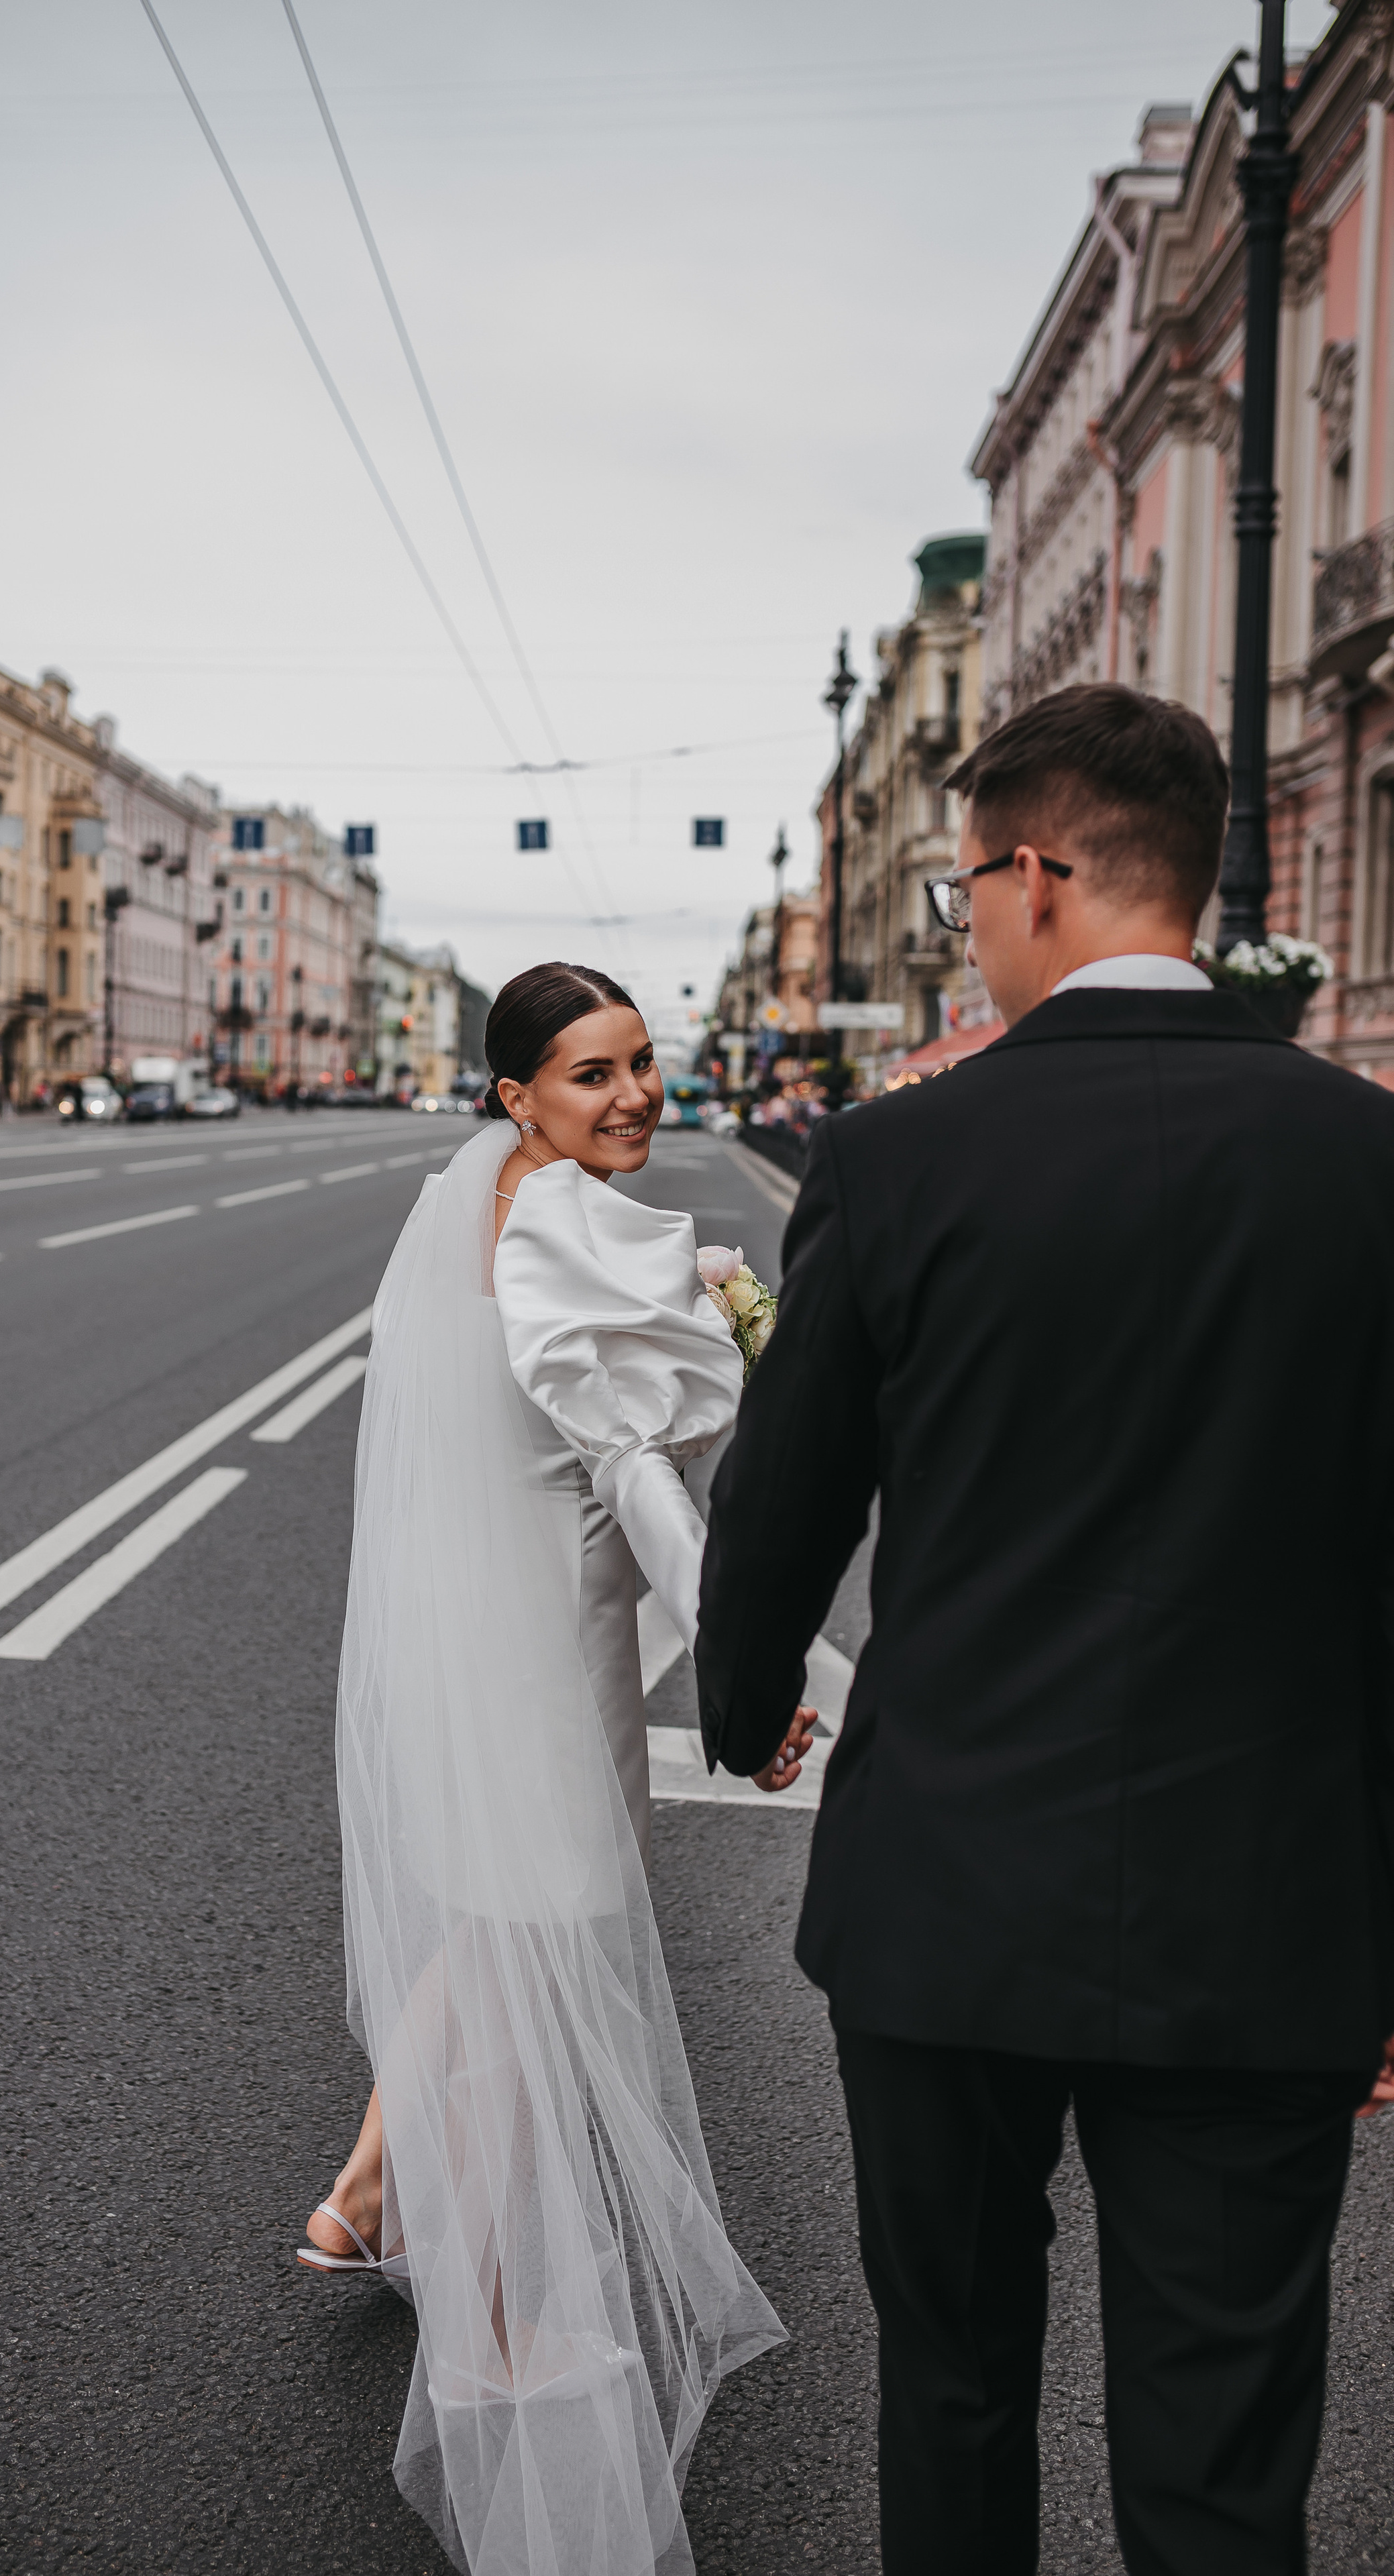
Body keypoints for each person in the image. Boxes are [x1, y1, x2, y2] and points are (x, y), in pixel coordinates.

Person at [695, 682, 1394, 2576]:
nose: (967, 939)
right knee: (1226, 2441)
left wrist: (742, 1713)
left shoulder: (901, 1163)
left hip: (947, 1901)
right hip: (1265, 1913)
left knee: (953, 2385)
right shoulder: (1370, 1160)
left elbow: (782, 1509)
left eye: (961, 901)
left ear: (1035, 874)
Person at [304, 962, 812, 2575]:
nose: (635, 1096)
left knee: (496, 1925)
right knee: (537, 1961)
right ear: (513, 1095)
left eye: (644, 1064)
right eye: (590, 1074)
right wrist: (759, 1661)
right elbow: (632, 1473)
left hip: (486, 1632)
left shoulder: (477, 1209)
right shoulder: (575, 1226)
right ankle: (516, 2356)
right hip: (546, 1657)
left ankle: (371, 2190)